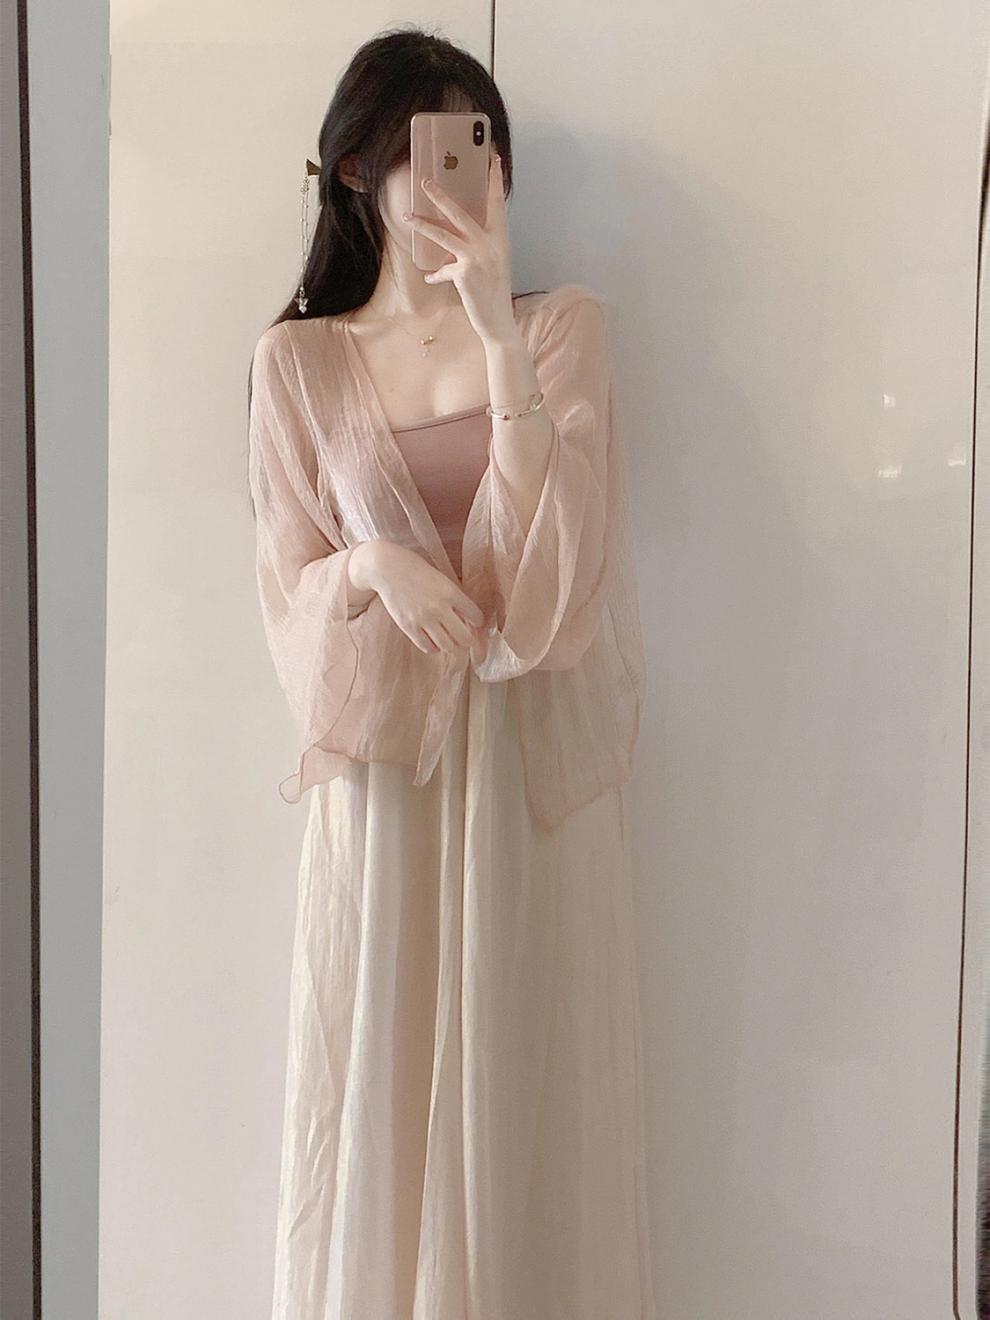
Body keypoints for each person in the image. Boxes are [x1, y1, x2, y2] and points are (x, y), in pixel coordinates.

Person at [247, 26, 657, 1320]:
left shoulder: (557, 330)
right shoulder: (297, 364)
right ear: (356, 170)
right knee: (373, 1080)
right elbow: (288, 591)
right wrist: (375, 565)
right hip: (384, 784)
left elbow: (561, 572)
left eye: (481, 151)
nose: (459, 182)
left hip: (524, 778)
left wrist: (495, 338)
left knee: (522, 1084)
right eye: (424, 152)